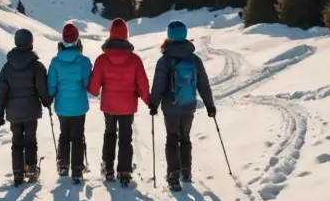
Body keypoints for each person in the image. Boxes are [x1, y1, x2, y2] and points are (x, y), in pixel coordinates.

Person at [149, 20, 215, 191]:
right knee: (185, 137)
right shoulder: (194, 59)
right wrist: (209, 104)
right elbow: (203, 84)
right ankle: (186, 171)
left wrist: (154, 103)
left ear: (169, 35)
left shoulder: (165, 60)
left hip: (170, 107)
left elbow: (158, 84)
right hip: (188, 104)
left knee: (172, 138)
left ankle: (173, 175)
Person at [88, 18, 150, 184]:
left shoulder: (102, 59)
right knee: (125, 137)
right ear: (125, 35)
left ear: (111, 35)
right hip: (127, 106)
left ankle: (108, 168)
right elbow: (142, 83)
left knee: (109, 134)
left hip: (109, 105)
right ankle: (124, 170)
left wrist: (92, 89)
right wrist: (149, 101)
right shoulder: (134, 59)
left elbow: (94, 87)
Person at [0, 28, 52, 187]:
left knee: (17, 142)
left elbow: (1, 92)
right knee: (30, 141)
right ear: (30, 43)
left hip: (13, 112)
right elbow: (42, 88)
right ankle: (31, 170)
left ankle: (18, 173)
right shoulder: (37, 66)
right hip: (31, 111)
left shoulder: (7, 68)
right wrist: (47, 101)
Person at [48, 22, 92, 182]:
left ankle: (62, 165)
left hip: (62, 107)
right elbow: (88, 84)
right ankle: (77, 169)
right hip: (79, 107)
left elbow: (51, 86)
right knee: (78, 136)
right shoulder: (84, 61)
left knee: (64, 134)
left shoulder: (55, 62)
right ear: (77, 39)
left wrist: (49, 97)